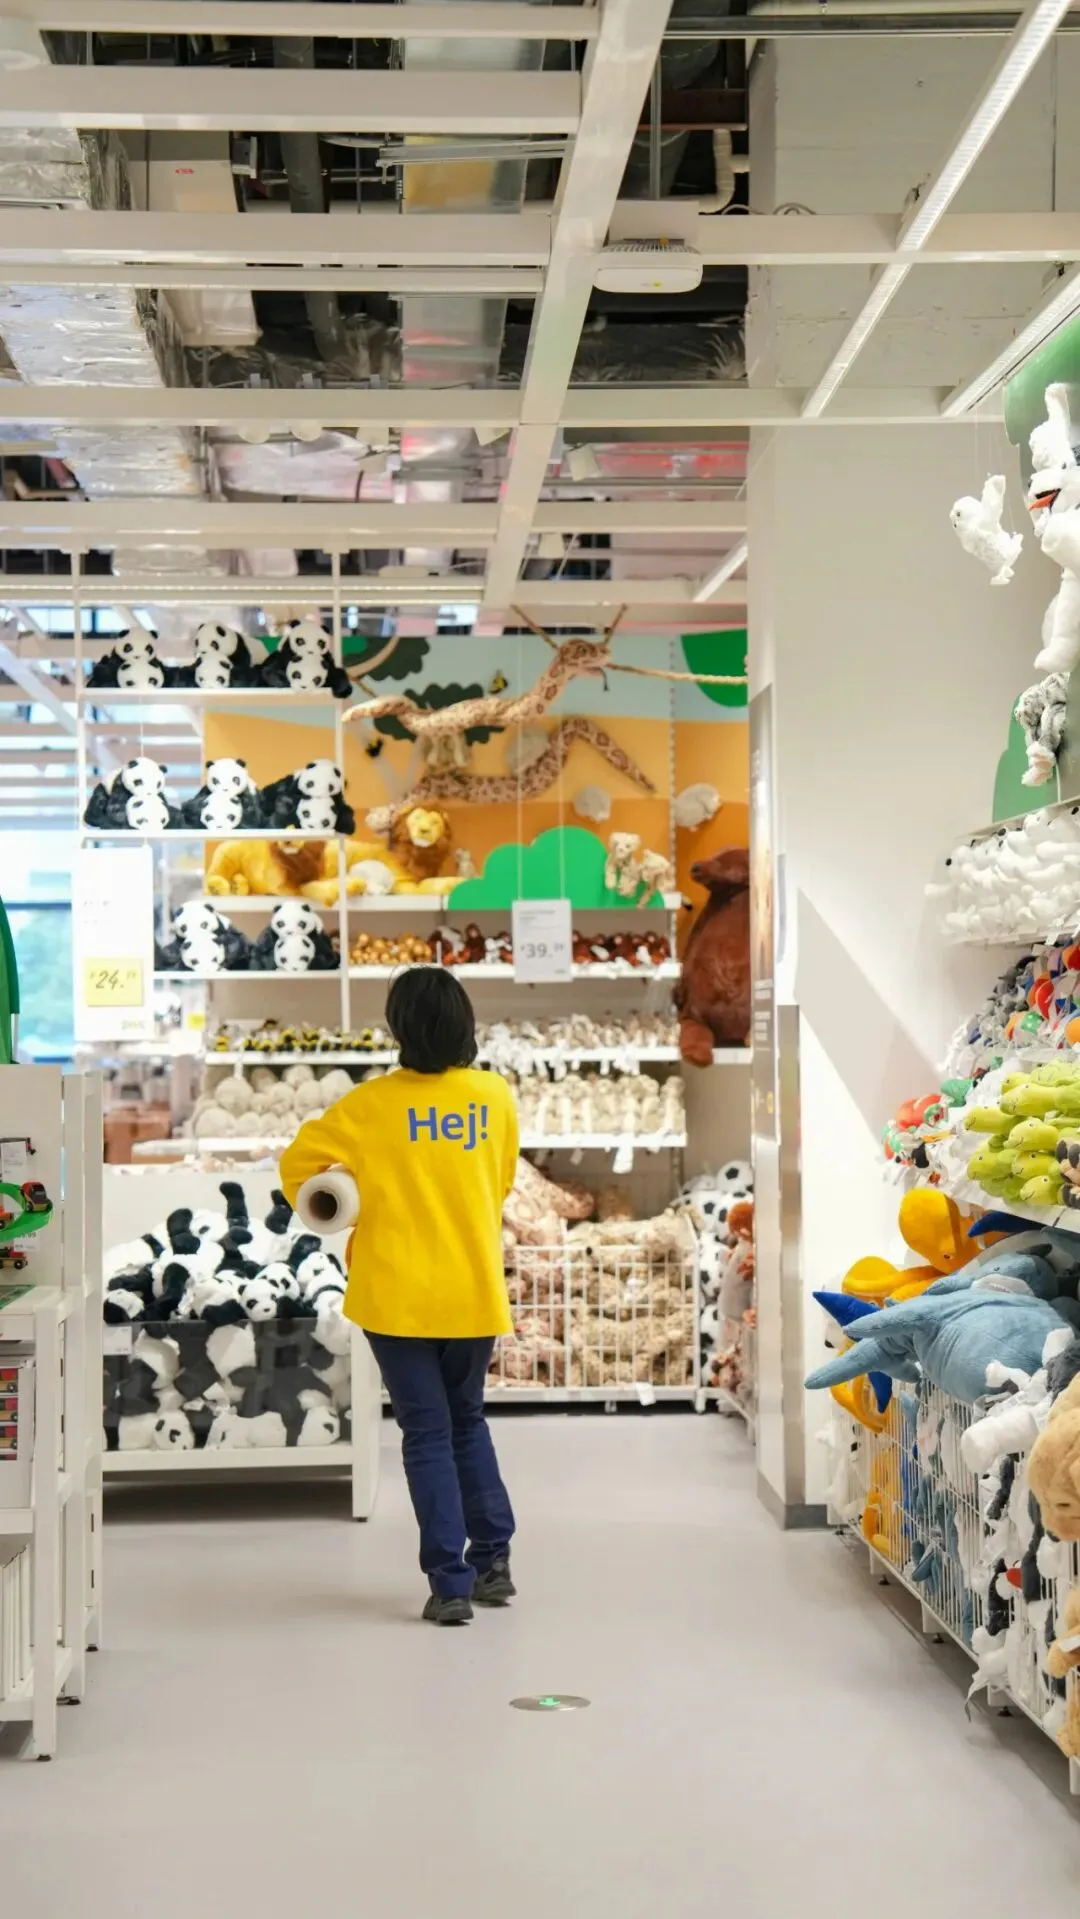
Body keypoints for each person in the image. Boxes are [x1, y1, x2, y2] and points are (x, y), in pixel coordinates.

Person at [280, 966, 518, 1626]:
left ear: (398, 1028)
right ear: (464, 1023)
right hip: (472, 1288)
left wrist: (353, 1189)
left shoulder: (369, 1106)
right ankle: (494, 1559)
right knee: (467, 1420)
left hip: (395, 1296)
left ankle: (449, 1582)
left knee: (426, 1432)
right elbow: (500, 1182)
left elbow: (298, 1165)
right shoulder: (493, 1097)